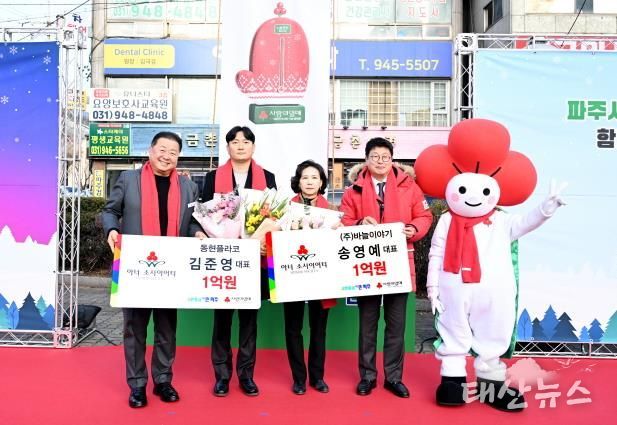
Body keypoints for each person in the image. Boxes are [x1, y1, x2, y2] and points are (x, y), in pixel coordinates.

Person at [102, 131, 204, 408]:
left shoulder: (188, 187)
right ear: (150, 151)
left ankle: (163, 380)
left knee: (166, 327)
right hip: (136, 266)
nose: (166, 156)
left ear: (178, 157)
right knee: (134, 328)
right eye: (162, 149)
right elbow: (110, 211)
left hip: (172, 267)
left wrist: (197, 233)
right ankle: (137, 385)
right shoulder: (129, 179)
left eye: (173, 152)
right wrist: (111, 229)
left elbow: (192, 221)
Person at [340, 137, 433, 398]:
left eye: (385, 157)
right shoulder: (353, 190)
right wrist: (359, 224)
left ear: (392, 160)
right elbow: (343, 220)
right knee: (367, 324)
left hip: (399, 263)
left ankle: (394, 377)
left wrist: (413, 228)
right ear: (366, 160)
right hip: (367, 265)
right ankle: (367, 376)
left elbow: (424, 216)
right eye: (375, 157)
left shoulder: (409, 186)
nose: (380, 161)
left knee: (396, 325)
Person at [202, 125, 276, 397]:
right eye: (235, 141)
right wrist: (203, 234)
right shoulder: (213, 177)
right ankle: (221, 376)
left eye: (246, 141)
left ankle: (246, 375)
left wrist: (264, 239)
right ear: (228, 147)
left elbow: (274, 216)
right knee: (221, 320)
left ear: (253, 147)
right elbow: (204, 214)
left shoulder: (268, 177)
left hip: (253, 261)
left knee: (249, 321)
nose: (240, 145)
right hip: (224, 260)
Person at [284, 160, 337, 395]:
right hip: (292, 274)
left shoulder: (332, 211)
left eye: (315, 177)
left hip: (321, 276)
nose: (309, 182)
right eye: (305, 177)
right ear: (298, 181)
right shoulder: (285, 208)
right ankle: (299, 378)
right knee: (293, 328)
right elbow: (274, 242)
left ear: (322, 182)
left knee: (319, 328)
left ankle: (317, 377)